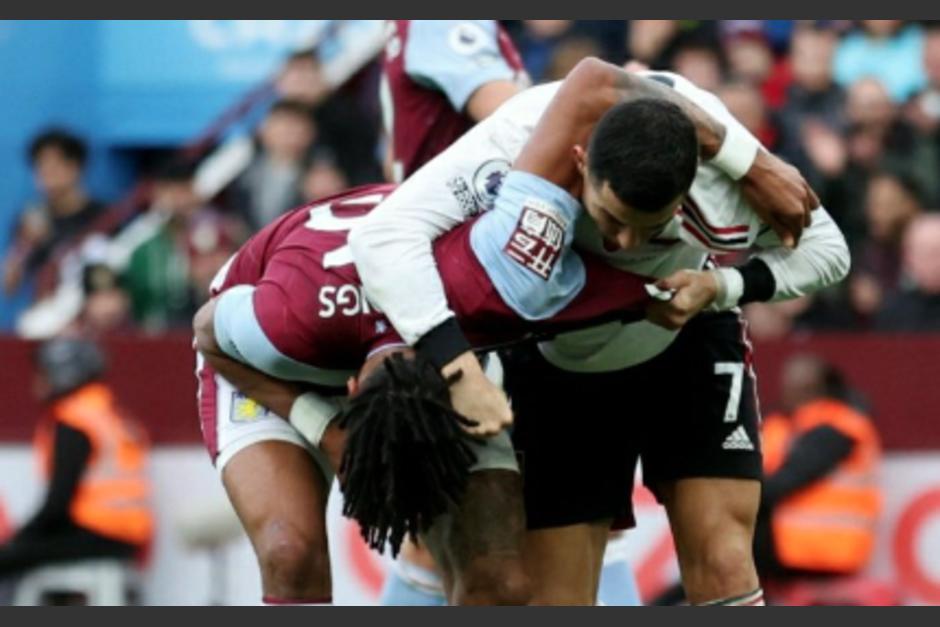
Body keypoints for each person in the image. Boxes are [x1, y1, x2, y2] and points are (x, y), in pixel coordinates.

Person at [348, 57, 847, 605]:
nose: (625, 245)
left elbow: (829, 251)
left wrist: (723, 287)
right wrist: (457, 366)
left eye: (648, 228)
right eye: (610, 219)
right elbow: (383, 235)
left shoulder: (723, 181)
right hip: (559, 364)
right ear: (580, 162)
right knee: (560, 596)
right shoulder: (516, 141)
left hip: (690, 340)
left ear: (684, 195)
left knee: (725, 562)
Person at [191, 184, 660, 605]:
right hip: (257, 361)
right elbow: (206, 333)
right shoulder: (284, 320)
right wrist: (323, 427)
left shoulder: (491, 298)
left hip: (421, 344)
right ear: (351, 391)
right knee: (290, 554)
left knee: (498, 582)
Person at [0, 338, 153, 583]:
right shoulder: (109, 413)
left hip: (97, 533)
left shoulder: (75, 421)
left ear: (64, 373)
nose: (37, 382)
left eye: (44, 373)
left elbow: (57, 506)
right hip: (128, 536)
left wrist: (18, 539)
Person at [757, 355, 881, 597]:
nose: (789, 391)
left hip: (820, 548)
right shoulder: (783, 424)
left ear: (821, 388)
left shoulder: (837, 427)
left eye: (800, 387)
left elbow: (785, 481)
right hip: (790, 547)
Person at [381, 20, 528, 183]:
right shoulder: (441, 22)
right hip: (479, 200)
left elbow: (392, 160)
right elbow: (520, 122)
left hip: (445, 195)